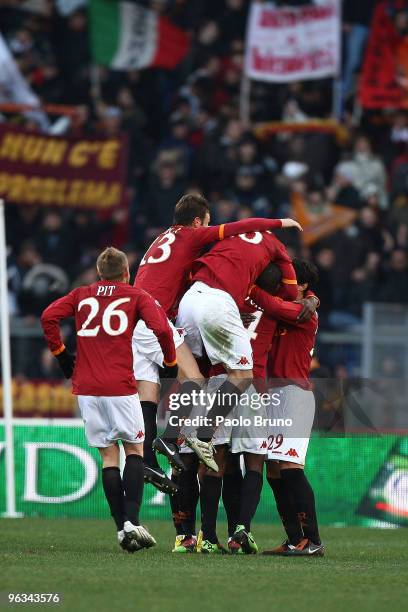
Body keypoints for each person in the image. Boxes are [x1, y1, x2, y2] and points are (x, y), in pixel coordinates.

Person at [133, 192, 302, 486]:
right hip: (159, 317)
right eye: (207, 223)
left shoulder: (163, 237)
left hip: (171, 309)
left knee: (173, 385)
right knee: (237, 375)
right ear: (197, 221)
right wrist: (280, 223)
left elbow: (176, 275)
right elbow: (241, 228)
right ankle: (202, 435)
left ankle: (166, 445)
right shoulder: (194, 236)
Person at [40, 247, 177, 553]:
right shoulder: (135, 296)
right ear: (126, 273)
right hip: (120, 386)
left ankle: (120, 529)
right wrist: (170, 362)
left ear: (99, 273)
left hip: (86, 389)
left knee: (108, 457)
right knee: (134, 450)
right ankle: (132, 521)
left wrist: (62, 355)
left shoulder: (81, 295)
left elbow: (48, 316)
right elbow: (161, 329)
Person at [176, 222, 300, 471]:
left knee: (191, 373)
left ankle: (173, 439)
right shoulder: (275, 245)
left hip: (189, 299)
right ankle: (202, 436)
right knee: (243, 375)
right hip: (218, 302)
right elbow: (290, 291)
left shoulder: (233, 235)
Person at [249, 259, 324, 557]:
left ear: (302, 285)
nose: (283, 283)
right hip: (273, 395)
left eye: (288, 279)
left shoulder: (304, 312)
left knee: (291, 468)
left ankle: (314, 540)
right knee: (274, 471)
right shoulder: (291, 306)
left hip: (294, 394)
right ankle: (294, 539)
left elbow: (272, 303)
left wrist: (255, 289)